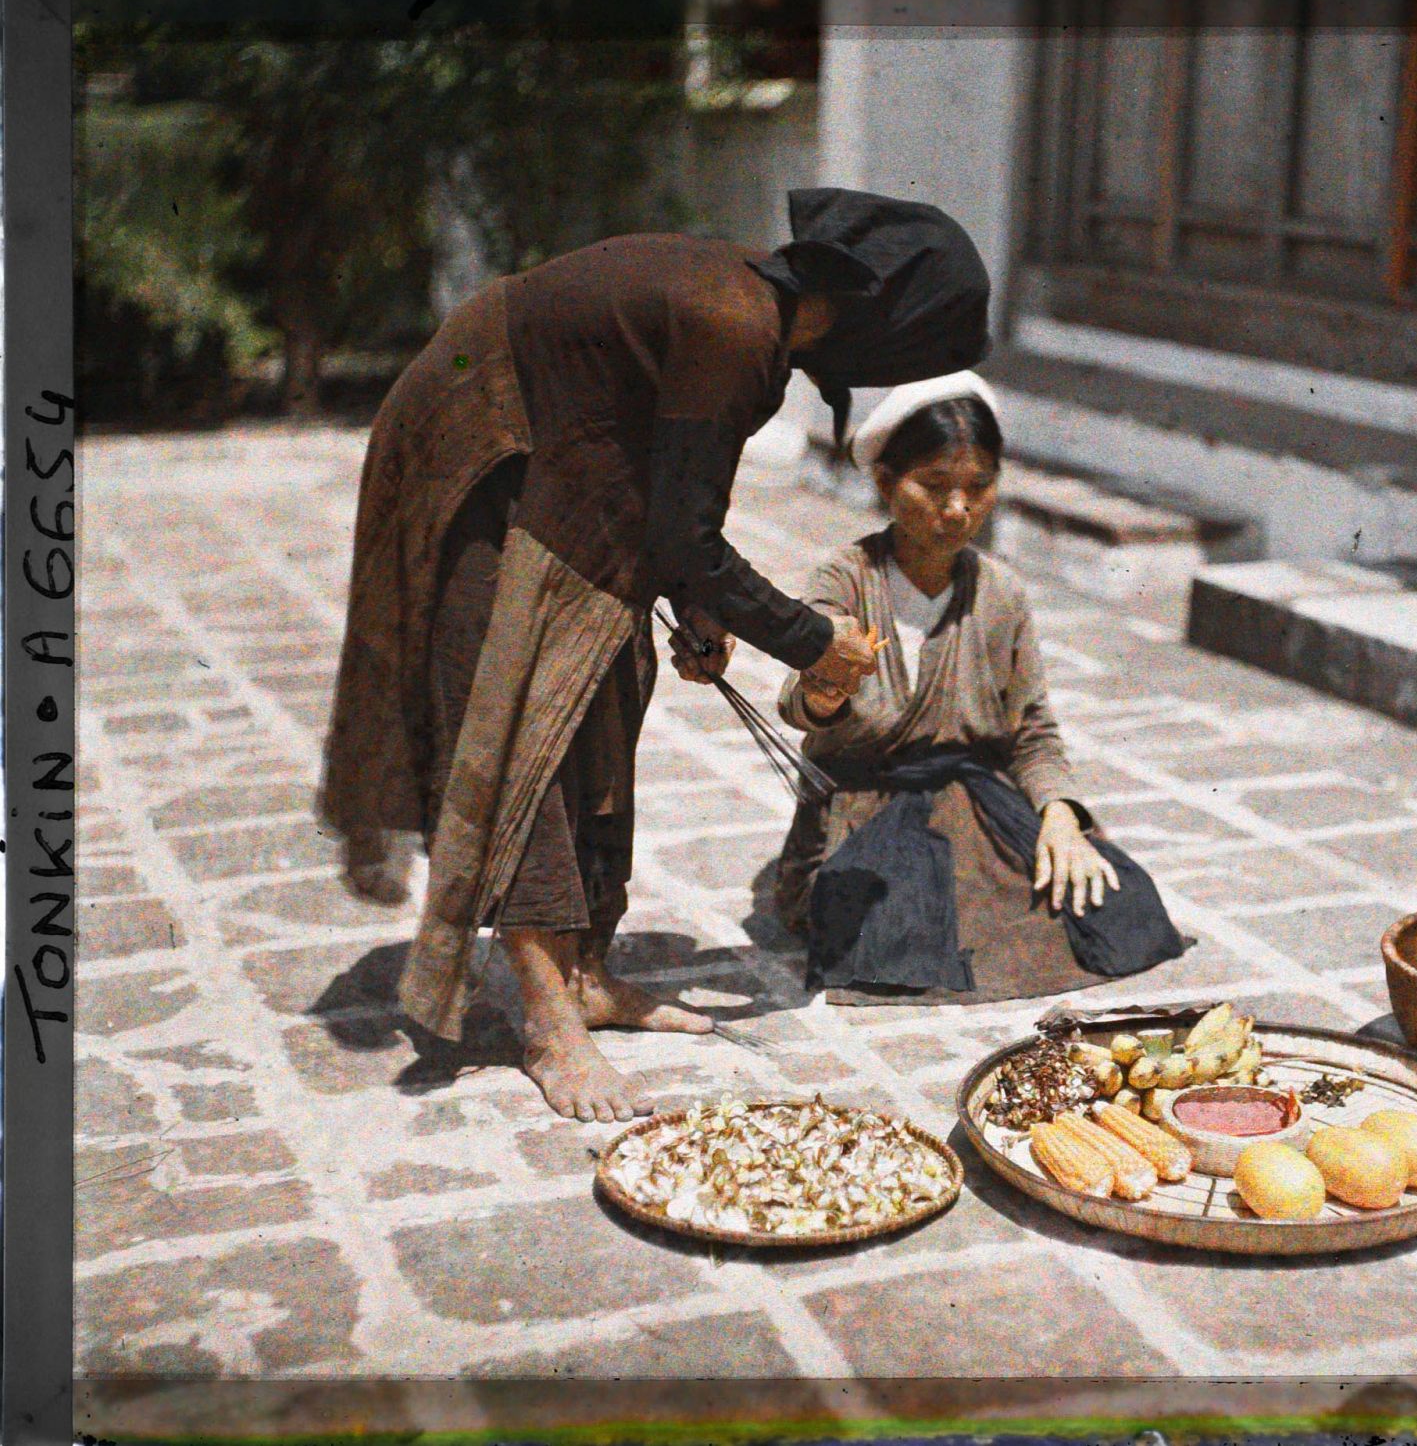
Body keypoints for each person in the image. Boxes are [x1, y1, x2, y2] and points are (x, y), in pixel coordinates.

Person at [320, 189, 992, 1121]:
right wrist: (813, 642)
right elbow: (686, 536)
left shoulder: (755, 333)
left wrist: (699, 608)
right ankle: (549, 1019)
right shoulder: (732, 327)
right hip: (484, 434)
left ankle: (588, 970)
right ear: (880, 322)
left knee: (609, 678)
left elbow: (674, 495)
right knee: (522, 719)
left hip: (575, 449)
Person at [771, 372, 1185, 1005]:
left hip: (975, 800)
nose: (959, 508)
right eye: (934, 486)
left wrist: (1062, 818)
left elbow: (1033, 731)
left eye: (979, 486)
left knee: (1118, 906)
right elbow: (800, 702)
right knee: (890, 927)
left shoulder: (1000, 593)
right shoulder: (846, 579)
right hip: (864, 806)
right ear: (886, 483)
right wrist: (828, 687)